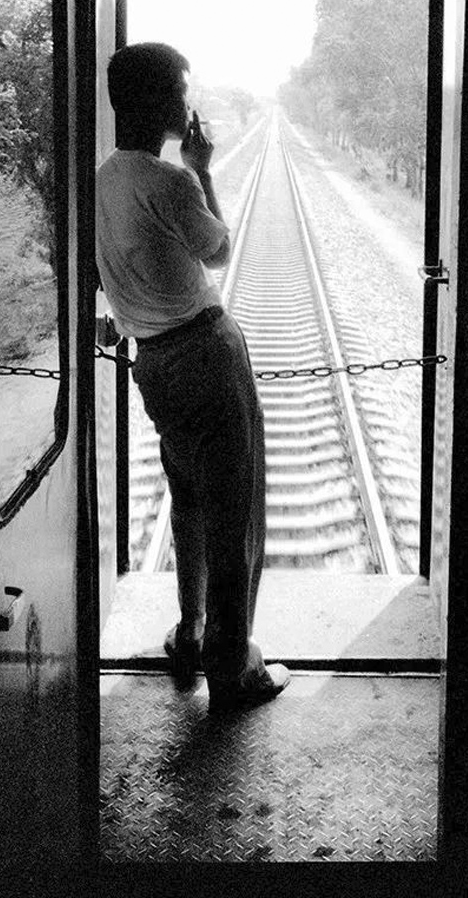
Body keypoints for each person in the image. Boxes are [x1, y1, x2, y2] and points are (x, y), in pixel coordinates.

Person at [95, 42, 289, 713]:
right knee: (233, 517)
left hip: (153, 365)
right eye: (180, 92)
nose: (188, 103)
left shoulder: (105, 177)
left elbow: (125, 265)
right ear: (152, 104)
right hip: (207, 357)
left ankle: (191, 629)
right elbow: (221, 247)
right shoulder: (169, 180)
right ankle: (232, 668)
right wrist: (201, 170)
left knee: (187, 504)